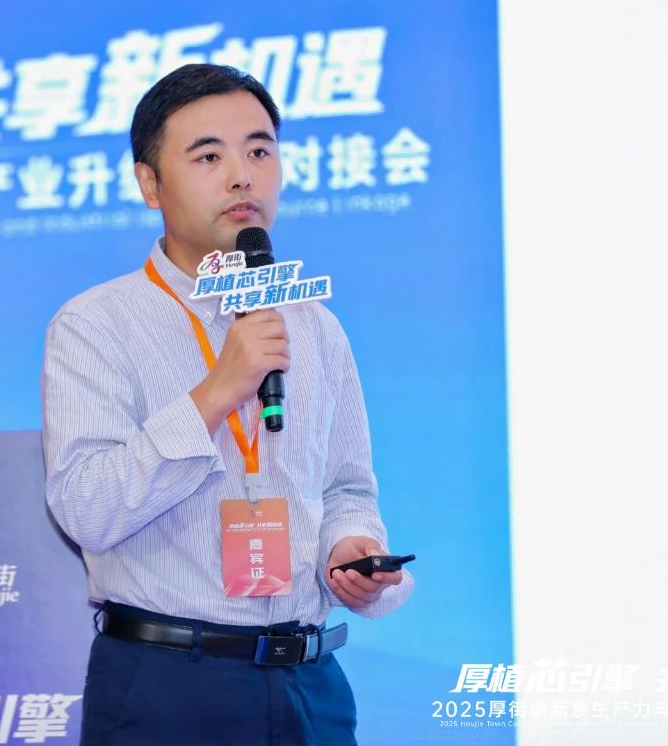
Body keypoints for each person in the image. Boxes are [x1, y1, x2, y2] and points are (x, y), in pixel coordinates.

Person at [41, 63, 413, 745]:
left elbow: (347, 489)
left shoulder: (314, 326)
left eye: (260, 151)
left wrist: (350, 549)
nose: (243, 176)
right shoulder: (95, 324)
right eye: (209, 156)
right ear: (149, 183)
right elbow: (86, 508)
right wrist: (216, 392)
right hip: (167, 683)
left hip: (310, 683)